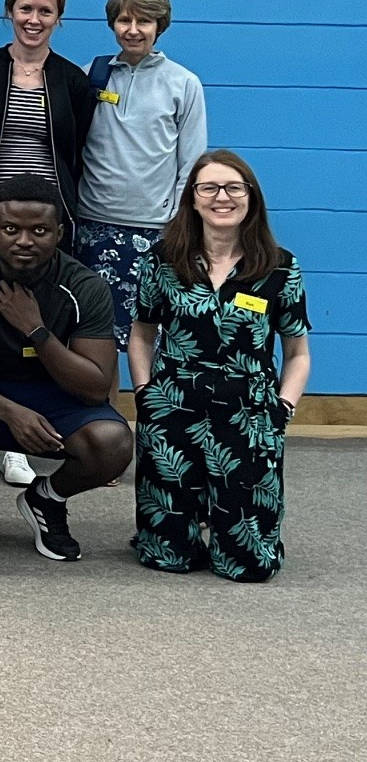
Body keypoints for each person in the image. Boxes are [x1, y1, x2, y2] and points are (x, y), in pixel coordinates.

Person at [0, 175, 133, 561]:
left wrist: (36, 330)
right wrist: (10, 412)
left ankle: (47, 499)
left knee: (112, 442)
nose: (24, 240)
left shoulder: (84, 286)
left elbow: (95, 387)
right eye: (10, 229)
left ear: (59, 233)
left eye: (39, 230)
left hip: (50, 394)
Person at [130, 153, 309, 583]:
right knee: (167, 556)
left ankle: (232, 538)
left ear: (251, 197)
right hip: (172, 409)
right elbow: (141, 335)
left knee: (248, 566)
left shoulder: (281, 268)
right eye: (208, 188)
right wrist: (144, 395)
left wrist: (283, 409)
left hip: (249, 416)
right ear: (193, 199)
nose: (221, 197)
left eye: (233, 188)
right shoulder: (162, 261)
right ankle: (176, 534)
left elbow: (297, 353)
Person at [0, 0, 99, 487]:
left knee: (32, 321)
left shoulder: (72, 80)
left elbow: (78, 150)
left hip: (48, 220)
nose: (34, 19)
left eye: (45, 11)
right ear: (10, 12)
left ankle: (17, 443)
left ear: (58, 19)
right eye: (25, 9)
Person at [74, 0, 208, 349]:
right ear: (112, 24)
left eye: (144, 21)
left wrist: (179, 223)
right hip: (92, 226)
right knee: (95, 336)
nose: (133, 30)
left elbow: (192, 162)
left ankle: (151, 391)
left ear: (159, 26)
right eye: (124, 20)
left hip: (155, 230)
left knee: (152, 334)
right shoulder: (91, 75)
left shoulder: (184, 83)